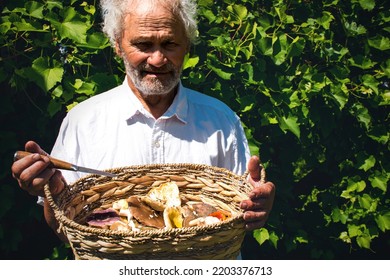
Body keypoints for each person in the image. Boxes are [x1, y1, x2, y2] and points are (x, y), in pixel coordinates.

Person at [11, 0, 275, 250]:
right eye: (143, 44)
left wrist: (257, 207)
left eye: (170, 43)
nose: (157, 59)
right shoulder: (84, 121)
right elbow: (67, 234)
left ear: (187, 45)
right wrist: (54, 193)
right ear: (117, 44)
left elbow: (237, 219)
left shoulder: (221, 120)